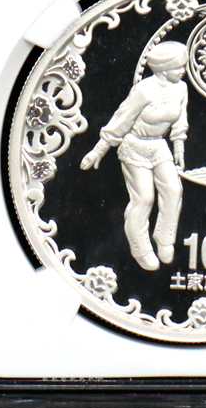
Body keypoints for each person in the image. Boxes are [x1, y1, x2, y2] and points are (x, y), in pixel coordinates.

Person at [80, 41, 189, 271]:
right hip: (135, 146)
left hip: (159, 146)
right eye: (178, 66)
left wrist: (178, 146)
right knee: (144, 198)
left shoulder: (181, 88)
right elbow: (122, 119)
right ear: (163, 68)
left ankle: (164, 238)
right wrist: (99, 150)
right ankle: (140, 247)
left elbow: (180, 119)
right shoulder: (143, 90)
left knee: (174, 190)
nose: (183, 71)